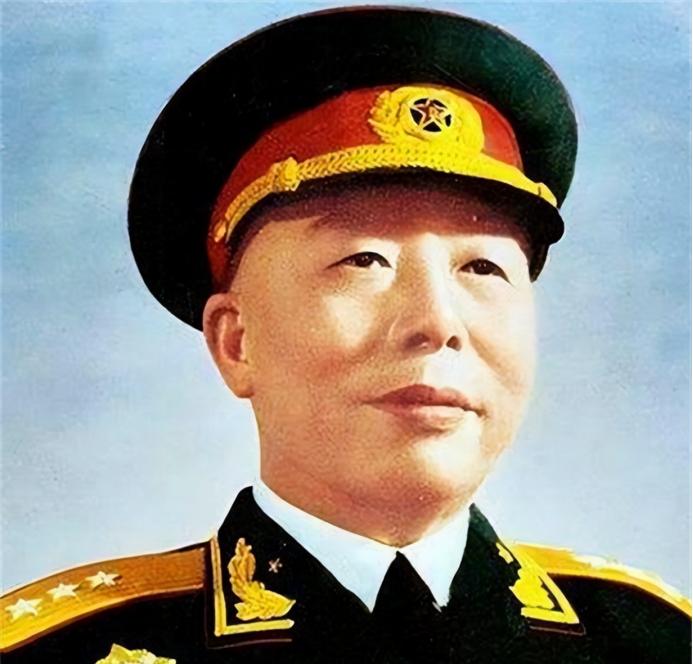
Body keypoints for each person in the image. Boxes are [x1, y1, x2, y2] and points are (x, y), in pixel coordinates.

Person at [1, 6, 690, 663]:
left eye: (481, 268)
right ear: (236, 342)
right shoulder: (62, 652)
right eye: (364, 261)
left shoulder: (657, 643)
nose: (438, 323)